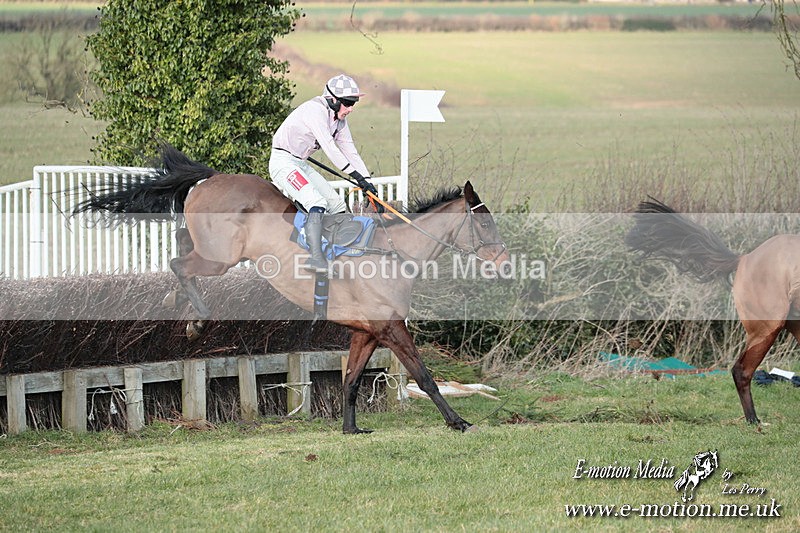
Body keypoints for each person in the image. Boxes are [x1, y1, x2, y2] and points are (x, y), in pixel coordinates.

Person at [269, 74, 381, 273]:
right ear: (333, 100)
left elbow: (350, 151)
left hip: (299, 163)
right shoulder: (315, 111)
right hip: (282, 162)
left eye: (353, 103)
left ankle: (337, 254)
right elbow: (331, 149)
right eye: (347, 103)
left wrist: (369, 185)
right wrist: (356, 177)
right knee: (317, 203)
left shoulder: (339, 121)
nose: (351, 108)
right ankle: (315, 258)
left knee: (337, 204)